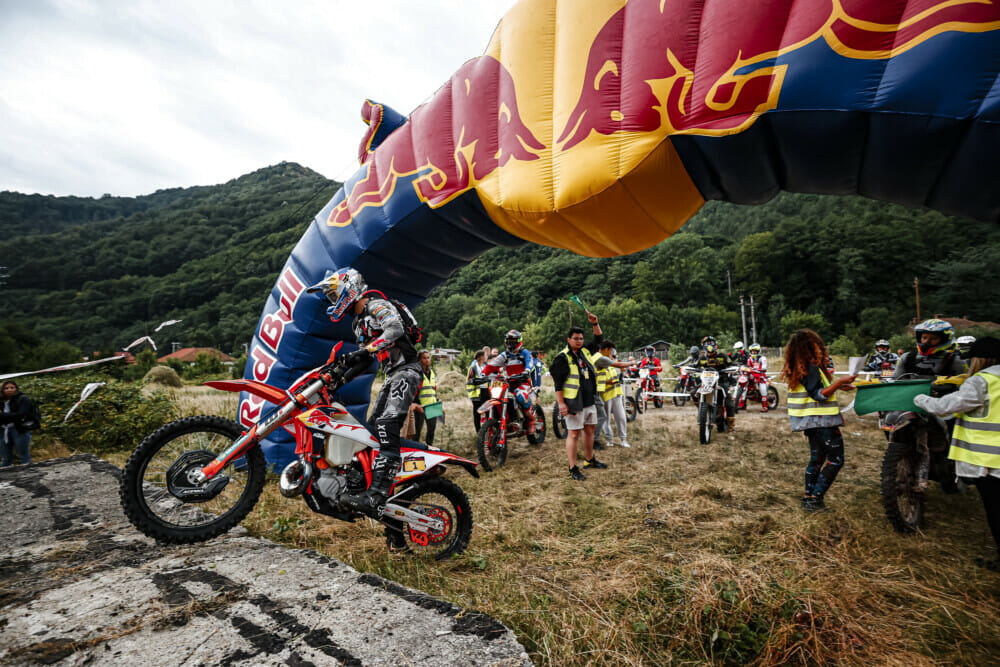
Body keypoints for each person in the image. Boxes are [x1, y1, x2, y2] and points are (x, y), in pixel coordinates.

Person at [307, 268, 421, 517]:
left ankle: (378, 494)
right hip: (392, 376)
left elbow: (395, 329)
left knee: (387, 424)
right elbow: (365, 360)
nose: (332, 301)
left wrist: (364, 350)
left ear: (349, 289)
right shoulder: (358, 323)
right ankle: (366, 486)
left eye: (334, 294)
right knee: (371, 431)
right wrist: (339, 380)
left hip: (408, 371)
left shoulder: (377, 306)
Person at [913, 337, 1000, 571]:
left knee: (996, 511)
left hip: (990, 462)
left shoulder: (982, 381)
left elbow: (945, 407)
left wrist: (919, 398)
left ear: (980, 359)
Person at [780, 329, 857, 511]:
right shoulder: (811, 368)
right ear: (809, 349)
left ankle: (808, 497)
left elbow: (815, 390)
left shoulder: (801, 368)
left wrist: (837, 387)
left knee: (817, 459)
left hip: (810, 421)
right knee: (835, 460)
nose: (822, 351)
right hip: (822, 421)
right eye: (818, 347)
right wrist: (838, 384)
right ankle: (816, 498)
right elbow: (819, 395)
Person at [550, 313, 607, 480]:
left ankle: (589, 460)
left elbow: (599, 340)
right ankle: (573, 468)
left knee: (590, 430)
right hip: (574, 401)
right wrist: (561, 403)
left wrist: (595, 323)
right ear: (568, 340)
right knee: (574, 434)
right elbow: (558, 383)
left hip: (589, 399)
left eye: (581, 338)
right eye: (575, 338)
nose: (579, 341)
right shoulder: (562, 358)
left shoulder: (585, 352)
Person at [482, 330, 538, 433]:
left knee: (521, 396)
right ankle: (506, 420)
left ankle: (531, 420)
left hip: (522, 382)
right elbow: (491, 366)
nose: (510, 343)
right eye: (509, 341)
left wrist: (527, 370)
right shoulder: (505, 355)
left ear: (519, 341)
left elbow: (529, 362)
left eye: (513, 341)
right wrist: (482, 374)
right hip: (508, 383)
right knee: (496, 397)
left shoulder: (524, 353)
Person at [893, 319, 965, 380]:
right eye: (924, 337)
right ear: (919, 338)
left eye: (933, 338)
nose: (926, 341)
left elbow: (963, 386)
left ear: (943, 340)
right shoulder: (906, 358)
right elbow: (896, 382)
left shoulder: (954, 361)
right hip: (911, 392)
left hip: (941, 393)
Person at [596, 340, 636, 447]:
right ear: (606, 350)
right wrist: (607, 382)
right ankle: (609, 440)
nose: (611, 354)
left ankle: (623, 439)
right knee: (606, 419)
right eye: (610, 351)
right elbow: (596, 378)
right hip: (605, 395)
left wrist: (622, 370)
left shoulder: (612, 362)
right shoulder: (599, 361)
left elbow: (620, 370)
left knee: (621, 417)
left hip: (617, 393)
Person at [697, 337, 738, 431]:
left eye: (711, 343)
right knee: (694, 392)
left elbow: (731, 364)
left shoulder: (722, 356)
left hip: (722, 381)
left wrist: (734, 368)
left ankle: (731, 426)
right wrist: (688, 368)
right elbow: (695, 365)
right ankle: (703, 413)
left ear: (715, 345)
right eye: (707, 343)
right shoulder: (702, 358)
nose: (709, 345)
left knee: (729, 403)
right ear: (703, 345)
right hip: (707, 382)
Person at [0, 380, 35, 467]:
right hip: (3, 430)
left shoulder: (22, 398)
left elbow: (21, 414)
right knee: (6, 457)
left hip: (19, 429)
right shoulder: (1, 401)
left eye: (12, 387)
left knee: (23, 455)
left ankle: (28, 473)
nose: (9, 390)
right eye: (6, 388)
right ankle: (4, 474)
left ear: (16, 388)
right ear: (2, 390)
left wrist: (3, 415)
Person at [411, 350, 440, 446]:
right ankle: (414, 449)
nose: (427, 360)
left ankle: (429, 448)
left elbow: (433, 389)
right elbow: (413, 391)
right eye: (424, 358)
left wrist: (437, 402)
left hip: (433, 405)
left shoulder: (432, 372)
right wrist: (415, 404)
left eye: (428, 358)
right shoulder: (417, 373)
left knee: (431, 431)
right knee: (416, 432)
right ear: (419, 360)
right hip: (420, 406)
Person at [466, 350, 488, 433]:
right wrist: (481, 381)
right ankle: (478, 431)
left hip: (485, 391)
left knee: (488, 410)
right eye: (485, 355)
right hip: (476, 393)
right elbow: (470, 380)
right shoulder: (473, 367)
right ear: (480, 357)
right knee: (477, 413)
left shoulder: (485, 367)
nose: (486, 357)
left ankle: (488, 429)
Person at [747, 342, 771, 413]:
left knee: (763, 390)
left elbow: (764, 367)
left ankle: (765, 406)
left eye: (755, 351)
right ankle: (741, 405)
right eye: (752, 351)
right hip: (752, 376)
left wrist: (761, 369)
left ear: (758, 351)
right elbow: (747, 366)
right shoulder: (750, 359)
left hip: (761, 376)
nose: (753, 352)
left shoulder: (762, 358)